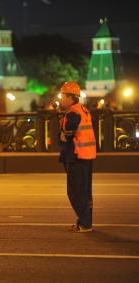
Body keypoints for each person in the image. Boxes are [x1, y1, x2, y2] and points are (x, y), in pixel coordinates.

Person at [59, 82, 96, 233]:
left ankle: (85, 223)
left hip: (76, 156)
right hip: (87, 155)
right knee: (85, 191)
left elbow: (67, 135)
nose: (61, 99)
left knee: (75, 191)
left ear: (71, 98)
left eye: (63, 96)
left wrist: (61, 134)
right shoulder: (84, 110)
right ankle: (85, 222)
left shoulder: (73, 113)